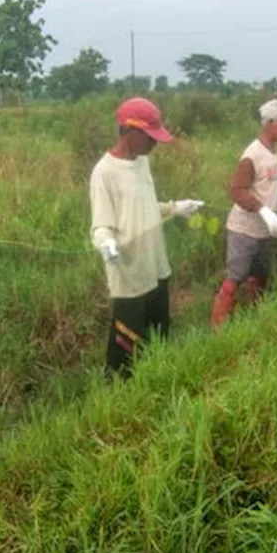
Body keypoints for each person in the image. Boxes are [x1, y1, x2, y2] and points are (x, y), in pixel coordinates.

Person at [90, 98, 204, 377]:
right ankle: (118, 398)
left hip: (156, 267)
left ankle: (154, 383)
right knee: (125, 348)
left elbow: (144, 207)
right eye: (150, 138)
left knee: (157, 338)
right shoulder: (104, 173)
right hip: (129, 274)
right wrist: (106, 243)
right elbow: (101, 226)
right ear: (131, 132)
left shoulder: (142, 164)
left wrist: (175, 208)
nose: (154, 145)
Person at [211, 99, 277, 328]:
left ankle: (253, 321)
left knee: (259, 278)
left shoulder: (273, 151)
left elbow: (262, 186)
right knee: (234, 280)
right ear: (270, 123)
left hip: (264, 231)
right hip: (245, 230)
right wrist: (262, 209)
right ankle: (217, 332)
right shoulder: (252, 154)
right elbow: (237, 191)